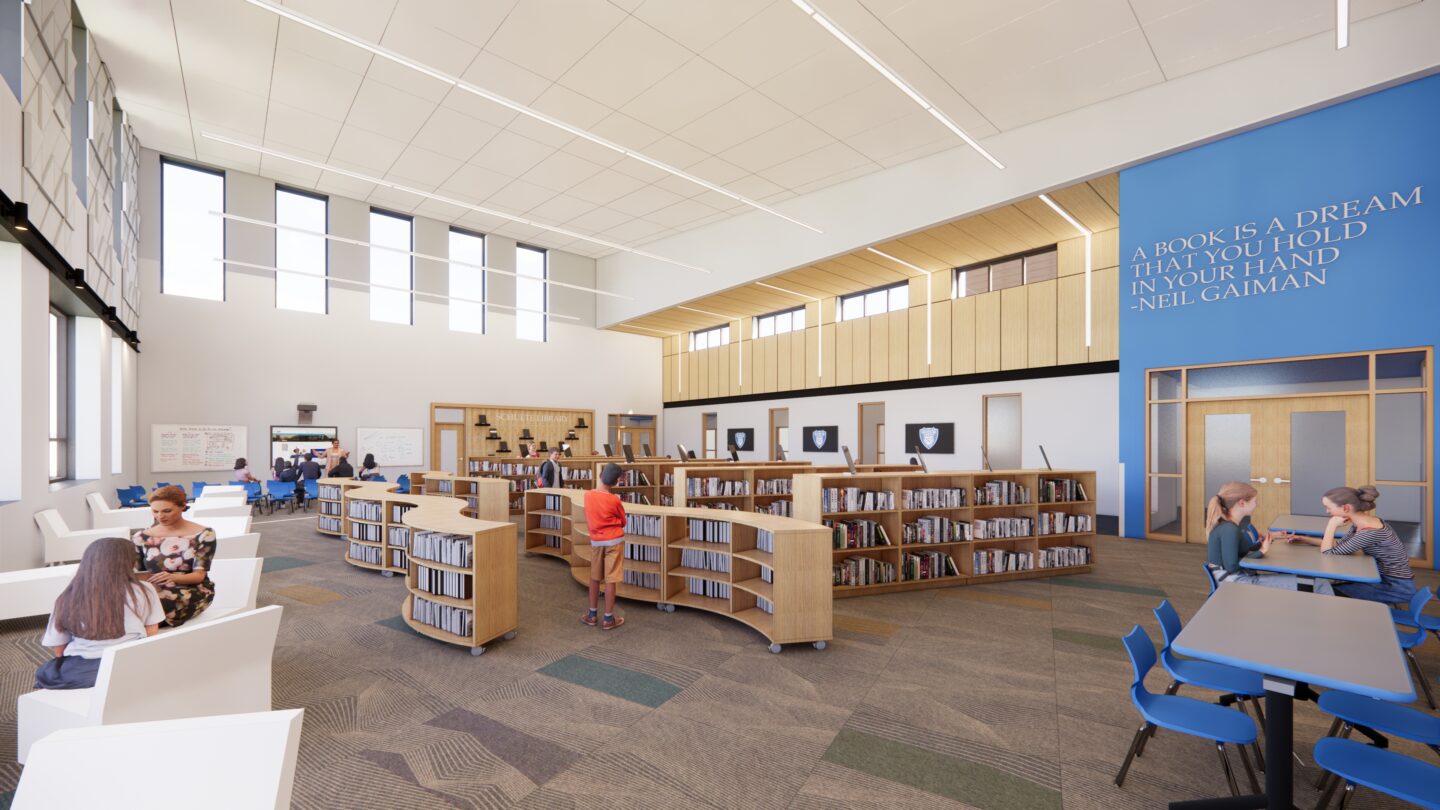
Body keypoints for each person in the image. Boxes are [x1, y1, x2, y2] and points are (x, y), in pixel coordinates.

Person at [36, 537, 165, 689]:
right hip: (130, 660)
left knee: (46, 672)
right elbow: (151, 630)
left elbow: (59, 649)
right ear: (129, 563)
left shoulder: (68, 596)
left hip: (84, 668)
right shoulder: (145, 589)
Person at [1288, 485, 1416, 605]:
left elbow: (1328, 552)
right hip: (1381, 578)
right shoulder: (1362, 523)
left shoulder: (1370, 531)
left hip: (1394, 587)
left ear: (1346, 508)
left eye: (1329, 507)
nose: (1327, 511)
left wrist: (1331, 525)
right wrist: (1303, 539)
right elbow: (1338, 547)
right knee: (1323, 587)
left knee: (1322, 591)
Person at [1205, 481, 1332, 593]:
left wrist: (1270, 538)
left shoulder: (1231, 526)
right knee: (1319, 583)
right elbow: (1231, 566)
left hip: (1238, 578)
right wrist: (1261, 552)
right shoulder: (1230, 529)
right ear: (1242, 503)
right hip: (1235, 582)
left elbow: (1242, 550)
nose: (1257, 504)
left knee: (1312, 581)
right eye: (1254, 501)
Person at [132, 486, 216, 627]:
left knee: (151, 606)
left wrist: (173, 577)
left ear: (183, 506)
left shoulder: (204, 534)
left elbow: (199, 576)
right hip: (152, 589)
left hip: (192, 589)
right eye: (155, 511)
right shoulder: (140, 537)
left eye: (167, 511)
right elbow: (136, 574)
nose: (160, 516)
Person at [582, 463, 626, 630]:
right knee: (611, 579)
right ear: (615, 482)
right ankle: (608, 619)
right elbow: (623, 521)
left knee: (594, 577)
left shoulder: (588, 495)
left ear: (600, 475)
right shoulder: (614, 499)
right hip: (614, 542)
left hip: (596, 541)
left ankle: (592, 615)